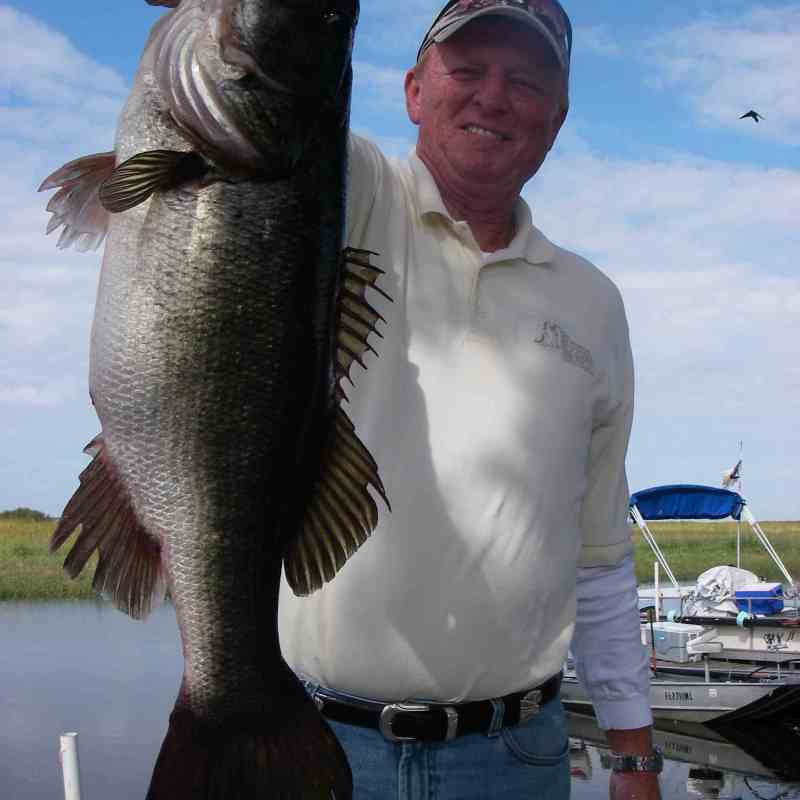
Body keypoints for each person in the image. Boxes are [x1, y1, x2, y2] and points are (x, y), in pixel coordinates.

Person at [279, 1, 661, 798]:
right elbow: (260, 107)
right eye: (467, 69)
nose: (494, 96)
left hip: (517, 758)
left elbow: (598, 556)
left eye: (525, 80)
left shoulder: (594, 302)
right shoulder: (339, 193)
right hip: (313, 746)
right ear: (415, 90)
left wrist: (632, 754)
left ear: (555, 120)